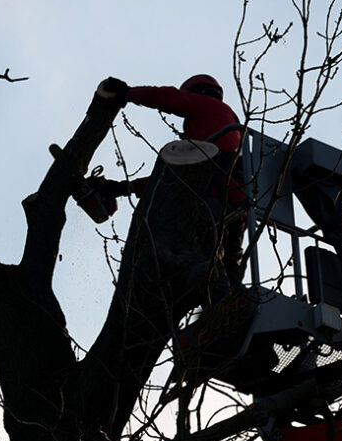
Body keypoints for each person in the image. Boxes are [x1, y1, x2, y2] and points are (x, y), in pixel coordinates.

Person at [97, 74, 248, 292]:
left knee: (202, 261)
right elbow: (169, 180)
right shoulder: (229, 129)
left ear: (198, 93)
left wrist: (128, 93)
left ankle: (223, 308)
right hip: (238, 207)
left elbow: (166, 97)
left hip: (212, 197)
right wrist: (122, 188)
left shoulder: (208, 108)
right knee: (228, 266)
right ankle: (232, 309)